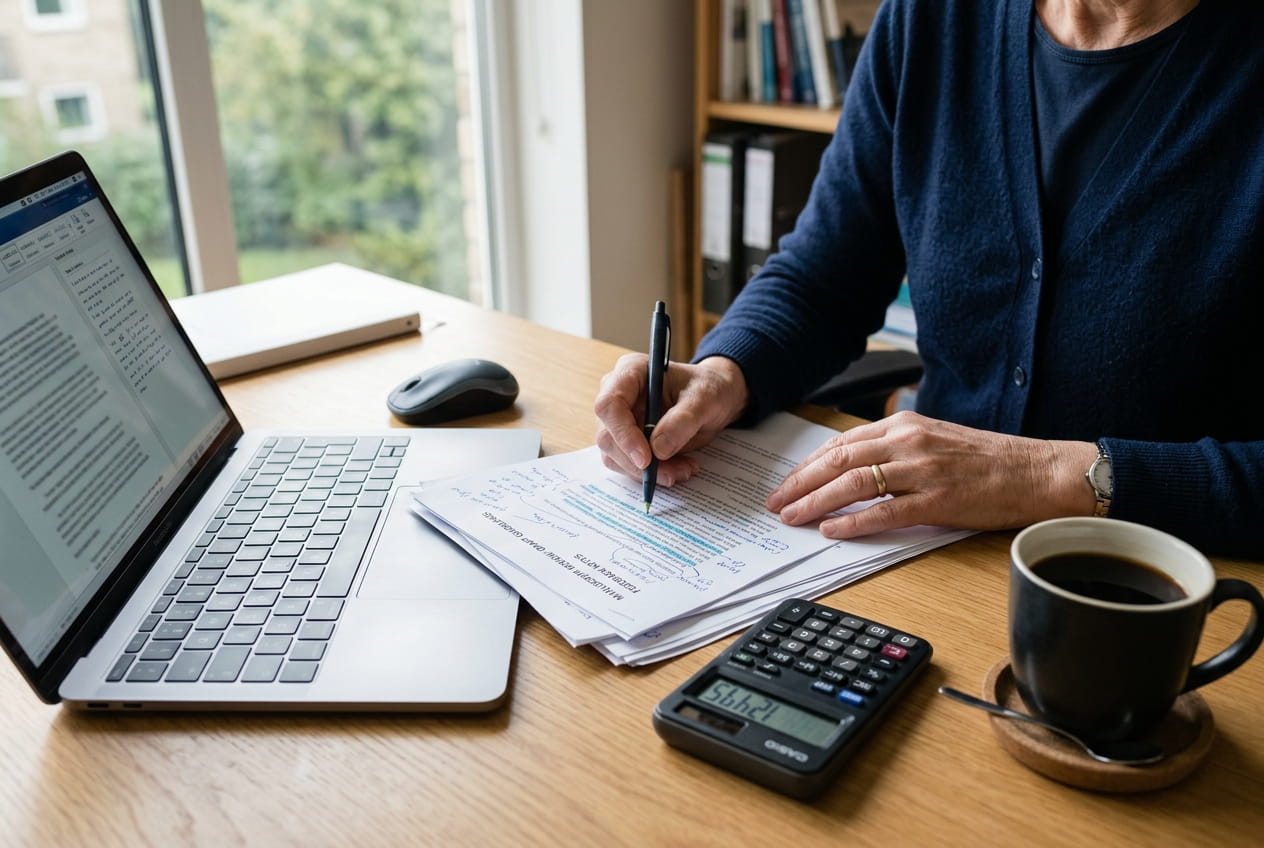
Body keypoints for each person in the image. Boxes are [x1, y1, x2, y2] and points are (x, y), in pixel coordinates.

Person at [594, 0, 1264, 557]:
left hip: (1172, 580)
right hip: (928, 547)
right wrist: (723, 373)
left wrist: (1053, 476)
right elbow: (824, 273)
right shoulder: (930, 18)